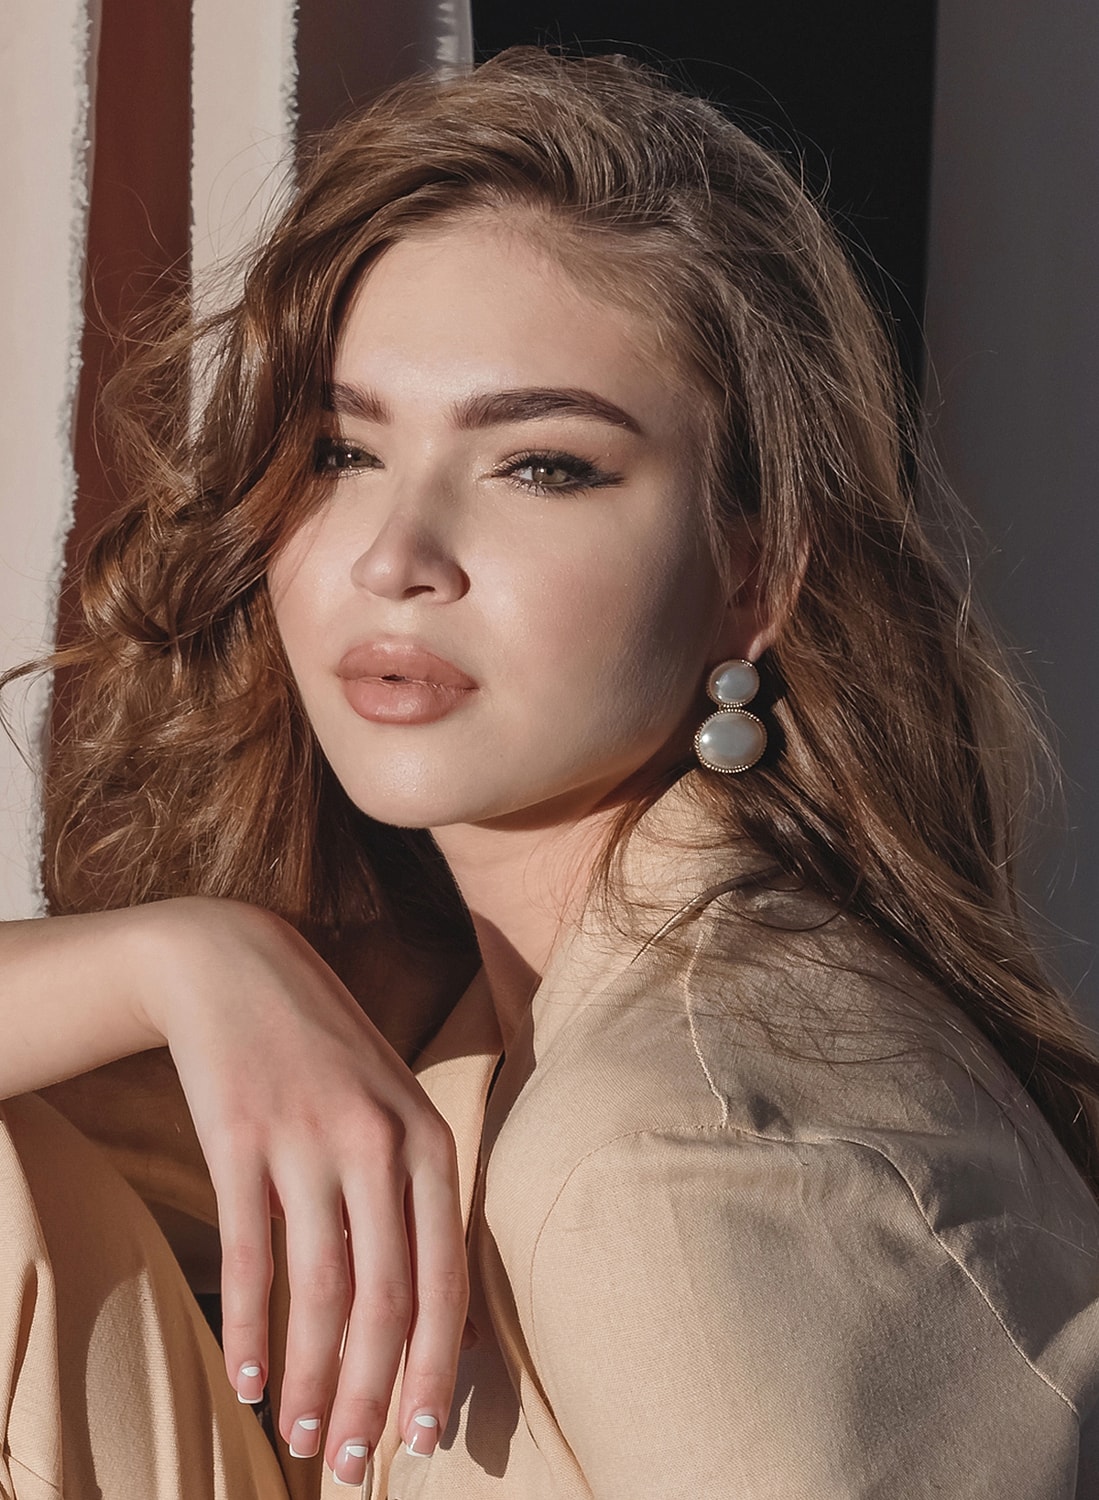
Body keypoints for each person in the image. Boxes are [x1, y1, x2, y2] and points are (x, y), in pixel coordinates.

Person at [2, 44, 1098, 1499]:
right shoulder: (461, 1010)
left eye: (544, 466)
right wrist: (181, 960)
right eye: (341, 450)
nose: (396, 559)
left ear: (751, 575)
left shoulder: (680, 1165)